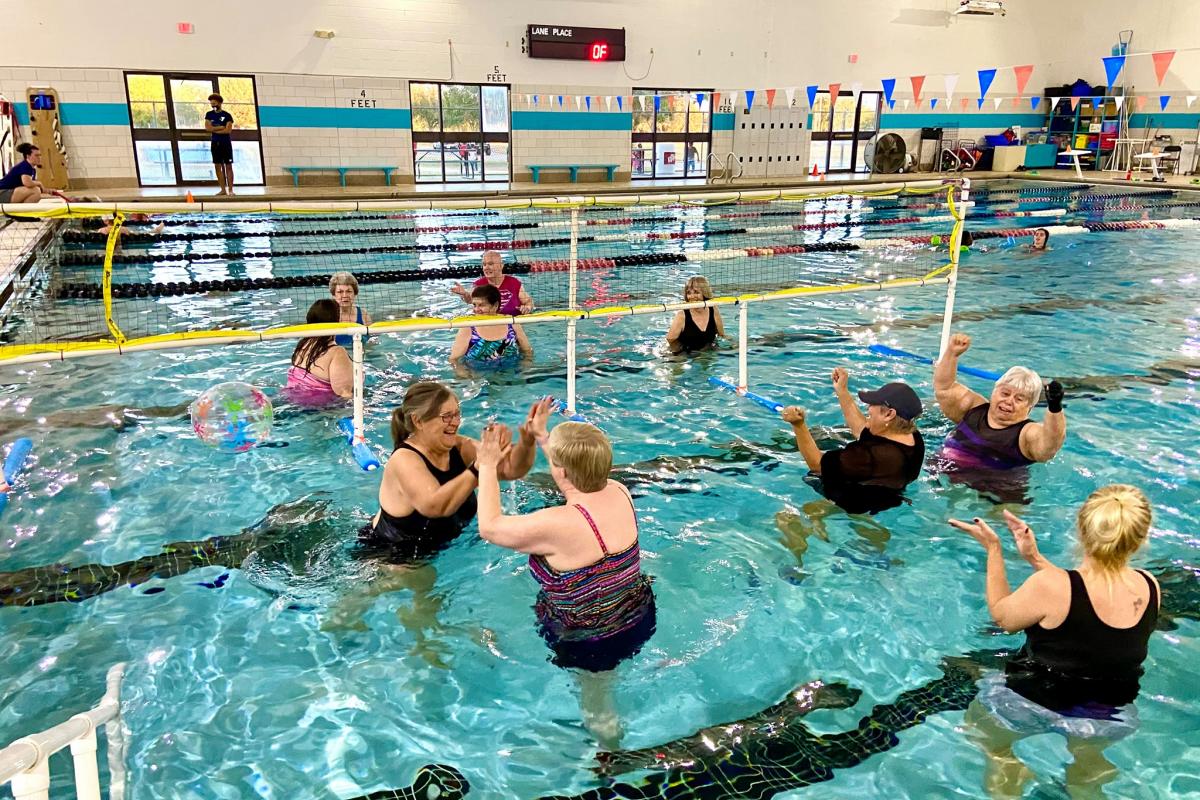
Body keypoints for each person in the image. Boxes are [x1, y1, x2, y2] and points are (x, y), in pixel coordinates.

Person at [949, 485, 1160, 799]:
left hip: (1031, 702)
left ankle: (1006, 765)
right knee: (1087, 774)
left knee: (980, 729)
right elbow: (1086, 603)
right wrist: (1034, 559)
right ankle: (1086, 776)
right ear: (1140, 540)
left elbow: (1003, 619)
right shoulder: (1149, 585)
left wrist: (994, 549)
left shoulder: (1051, 585)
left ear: (1080, 529)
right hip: (1108, 714)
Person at [475, 414, 655, 748]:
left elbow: (490, 527)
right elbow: (574, 473)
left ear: (561, 470)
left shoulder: (559, 524)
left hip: (592, 639)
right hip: (637, 613)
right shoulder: (618, 491)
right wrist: (543, 438)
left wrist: (486, 465)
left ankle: (610, 757)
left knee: (598, 704)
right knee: (607, 683)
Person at [358, 382, 541, 562]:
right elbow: (435, 506)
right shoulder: (404, 460)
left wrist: (528, 442)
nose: (455, 423)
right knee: (426, 584)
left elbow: (510, 469)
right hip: (392, 554)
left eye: (457, 414)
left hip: (439, 548)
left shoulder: (460, 447)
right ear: (418, 421)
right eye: (446, 416)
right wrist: (477, 468)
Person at [781, 370, 925, 515]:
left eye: (873, 404)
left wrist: (798, 425)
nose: (868, 407)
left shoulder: (870, 456)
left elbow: (817, 464)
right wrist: (842, 391)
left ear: (889, 414)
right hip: (889, 496)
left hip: (856, 503)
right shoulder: (912, 436)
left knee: (788, 516)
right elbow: (862, 430)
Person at [934, 332, 1066, 473]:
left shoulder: (1026, 434)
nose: (1009, 401)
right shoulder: (973, 408)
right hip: (943, 477)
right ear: (994, 391)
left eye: (1019, 399)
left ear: (1030, 407)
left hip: (994, 491)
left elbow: (1049, 446)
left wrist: (1055, 408)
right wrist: (952, 353)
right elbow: (945, 387)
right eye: (1005, 393)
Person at [281, 299, 353, 406]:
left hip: (289, 398)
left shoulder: (303, 344)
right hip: (318, 409)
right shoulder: (336, 352)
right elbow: (344, 394)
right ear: (337, 321)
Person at [449, 284, 533, 365]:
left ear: (495, 305)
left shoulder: (511, 323)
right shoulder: (468, 327)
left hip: (511, 372)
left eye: (481, 305)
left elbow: (527, 351)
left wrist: (525, 370)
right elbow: (454, 360)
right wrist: (465, 376)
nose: (476, 309)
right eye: (474, 305)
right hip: (478, 375)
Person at [450, 250, 535, 315]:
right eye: (484, 264)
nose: (486, 268)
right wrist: (464, 294)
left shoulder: (514, 283)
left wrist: (527, 307)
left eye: (490, 264)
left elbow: (528, 301)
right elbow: (470, 300)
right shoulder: (479, 284)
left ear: (501, 266)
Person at [665, 276, 726, 354]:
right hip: (685, 353)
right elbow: (670, 340)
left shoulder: (713, 309)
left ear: (704, 293)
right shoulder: (682, 315)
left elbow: (722, 335)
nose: (692, 296)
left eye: (696, 292)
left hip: (707, 352)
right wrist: (681, 357)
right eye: (689, 293)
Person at [329, 272, 373, 348]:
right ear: (333, 295)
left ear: (355, 293)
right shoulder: (327, 316)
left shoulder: (363, 315)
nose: (345, 296)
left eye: (349, 291)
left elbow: (371, 342)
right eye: (340, 292)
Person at [205, 94, 235, 196]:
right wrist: (220, 127)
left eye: (214, 103)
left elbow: (228, 130)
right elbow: (208, 128)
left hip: (225, 143)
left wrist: (215, 129)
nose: (213, 105)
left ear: (219, 103)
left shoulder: (227, 115)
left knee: (228, 166)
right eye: (211, 103)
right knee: (217, 166)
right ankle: (223, 189)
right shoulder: (209, 115)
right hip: (215, 143)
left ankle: (230, 190)